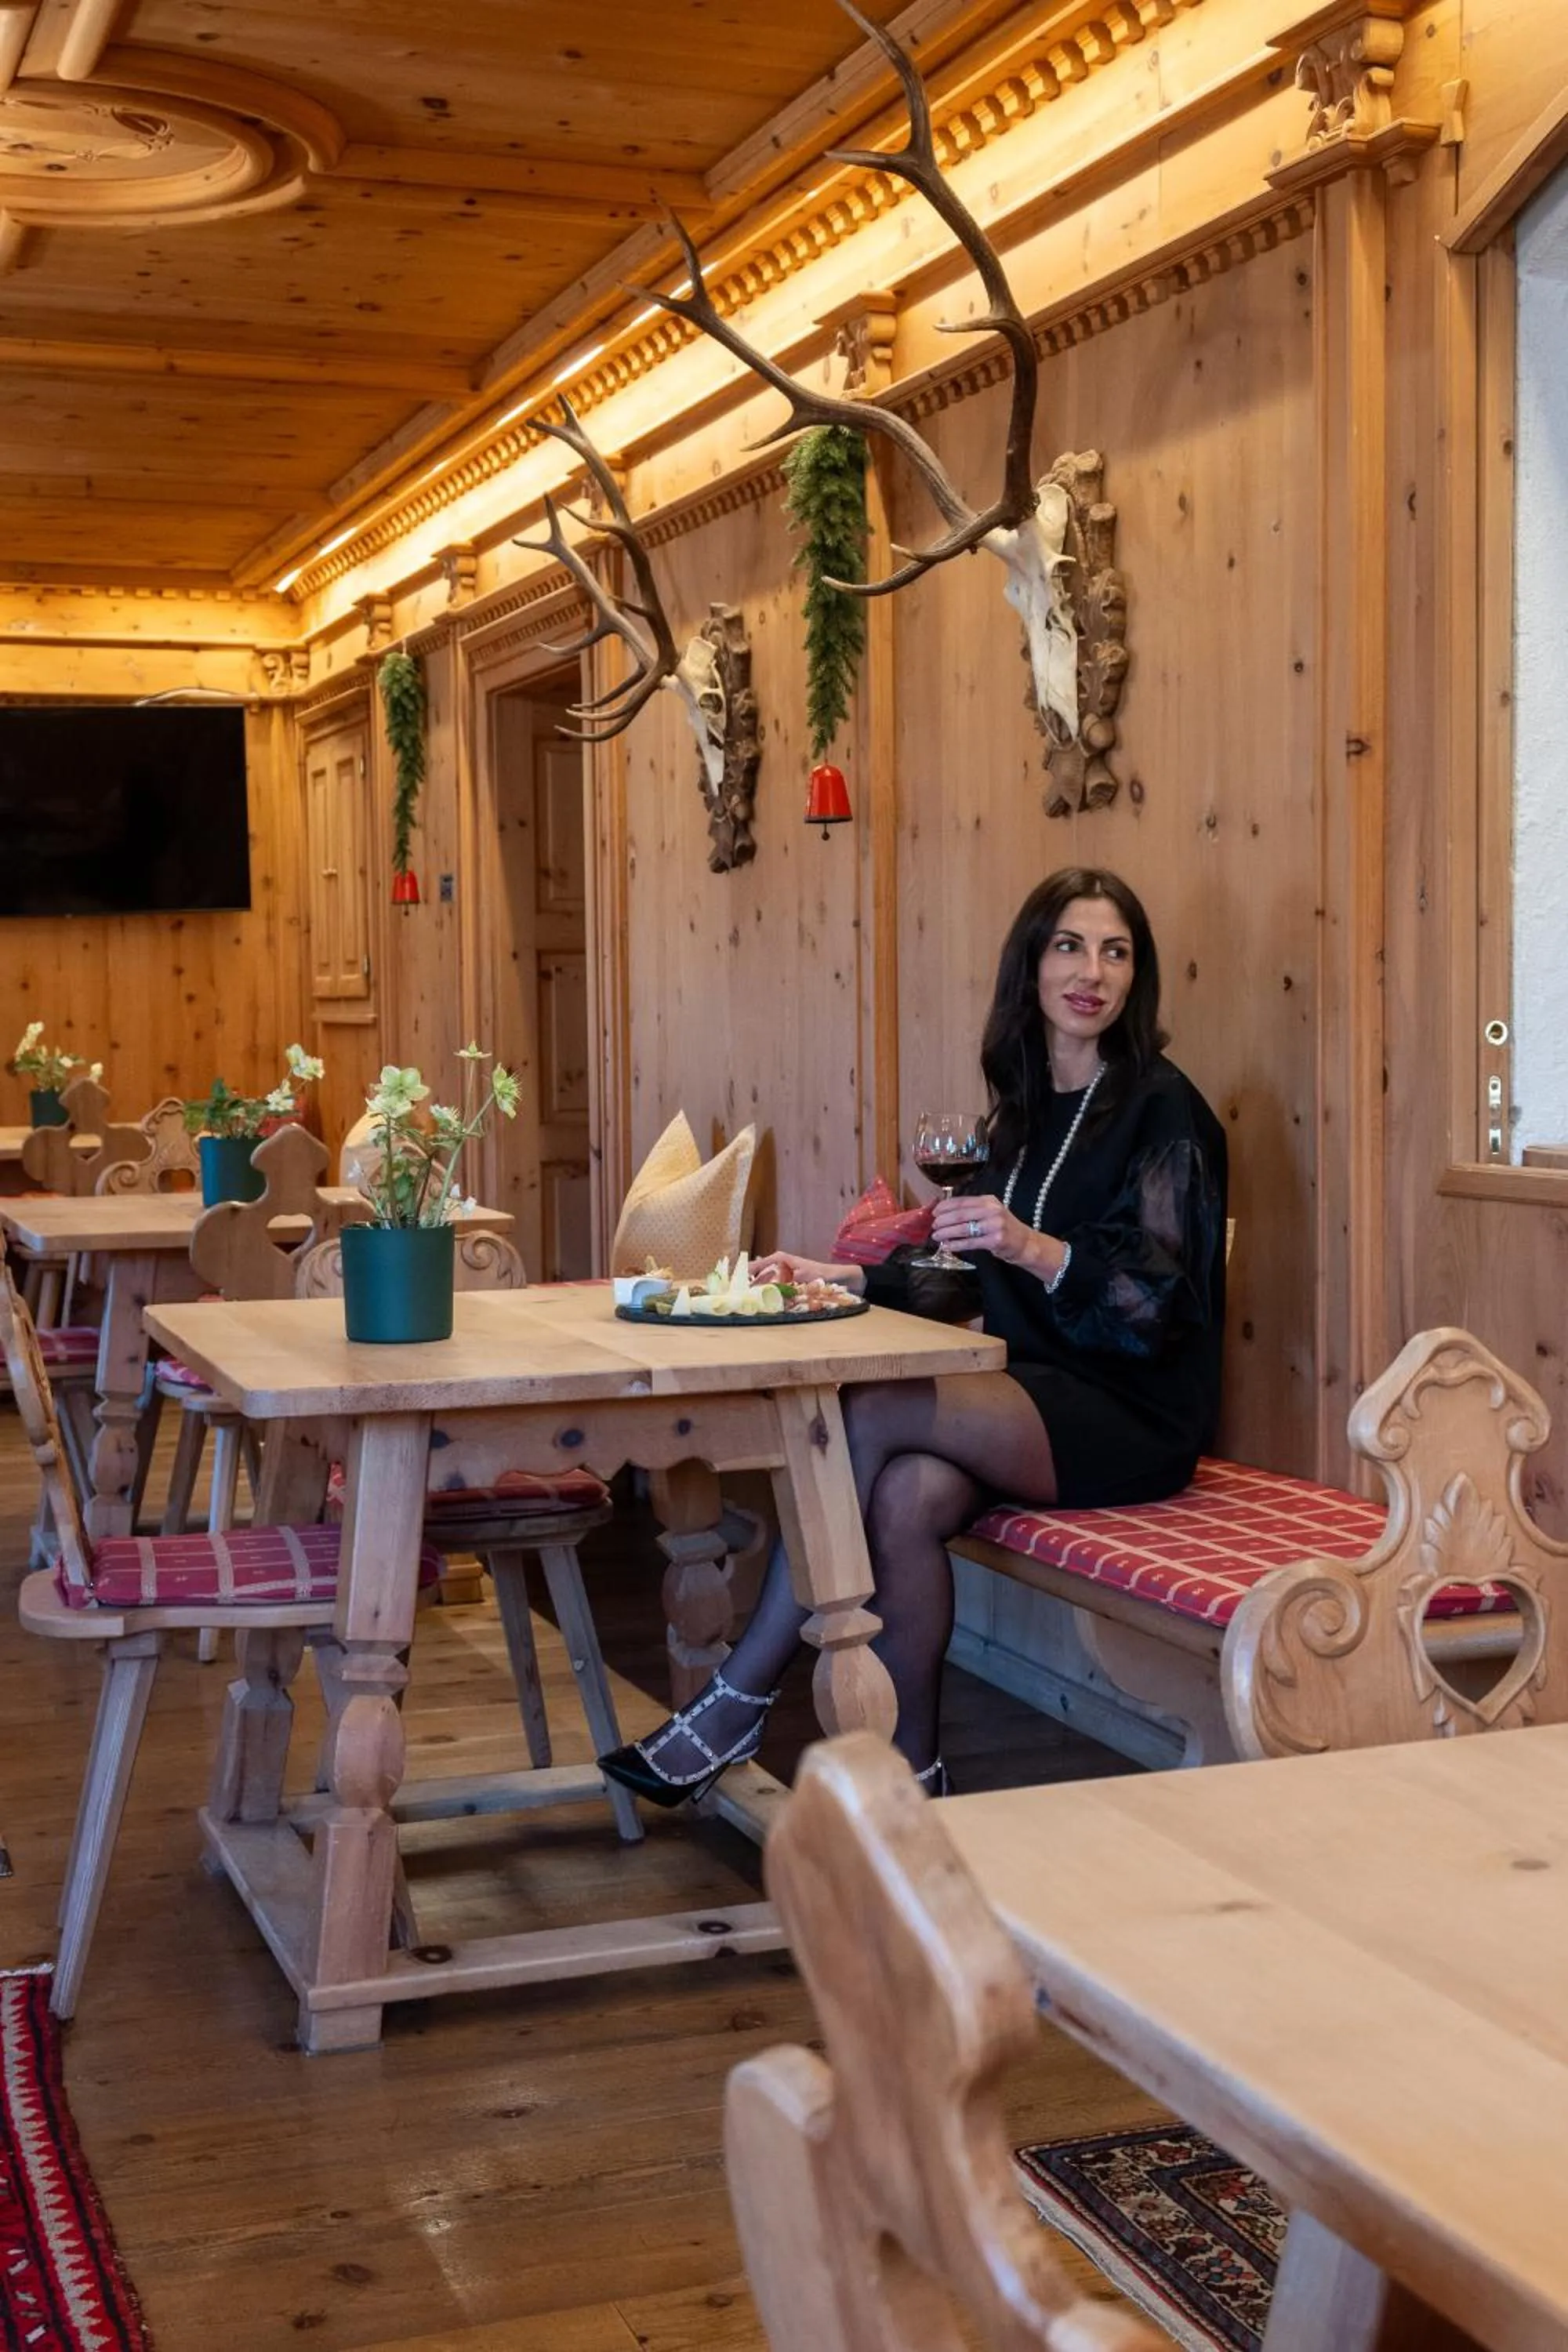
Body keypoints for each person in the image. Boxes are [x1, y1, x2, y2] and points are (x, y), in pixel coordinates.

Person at [598, 866, 1228, 1806]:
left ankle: (736, 1699)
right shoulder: (1018, 1110)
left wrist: (1036, 1247)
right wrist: (847, 1275)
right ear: (1032, 965)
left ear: (1136, 976)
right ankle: (915, 1780)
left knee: (870, 1405)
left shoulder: (1162, 1108)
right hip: (1027, 1388)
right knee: (901, 1496)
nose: (1090, 970)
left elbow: (1159, 1307)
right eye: (1068, 945)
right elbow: (968, 1268)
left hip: (1130, 1409)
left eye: (1114, 950)